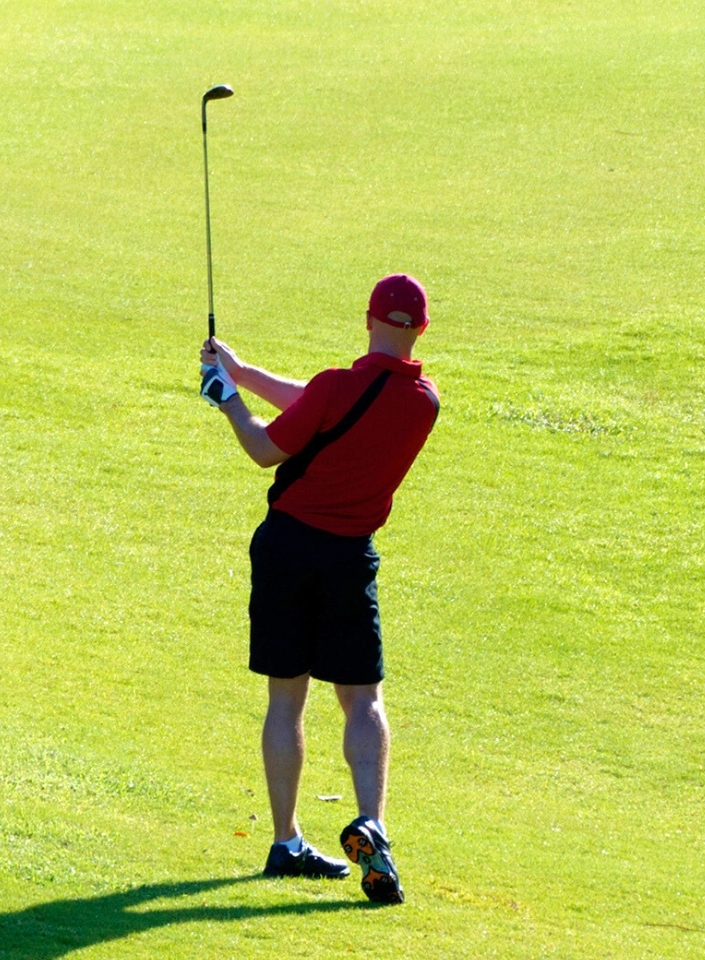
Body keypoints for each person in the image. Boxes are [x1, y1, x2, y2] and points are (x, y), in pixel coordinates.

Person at [196, 274, 441, 905]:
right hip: (349, 559)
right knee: (363, 701)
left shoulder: (336, 386)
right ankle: (372, 825)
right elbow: (326, 401)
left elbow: (264, 448)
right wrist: (246, 372)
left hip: (286, 550)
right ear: (420, 330)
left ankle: (285, 842)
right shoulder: (424, 403)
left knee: (287, 701)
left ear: (367, 320)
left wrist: (226, 395)